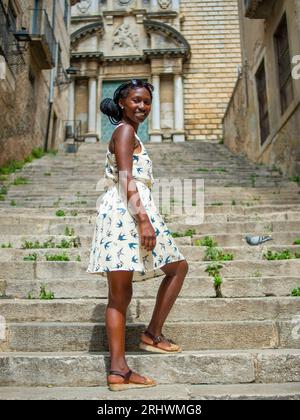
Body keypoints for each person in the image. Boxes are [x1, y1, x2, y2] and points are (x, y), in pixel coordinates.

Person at [87, 79, 188, 391]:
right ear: (122, 103)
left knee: (123, 294)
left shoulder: (126, 132)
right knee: (174, 268)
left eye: (146, 102)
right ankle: (141, 345)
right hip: (126, 213)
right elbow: (126, 177)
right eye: (136, 101)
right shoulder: (125, 131)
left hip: (125, 211)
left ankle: (134, 353)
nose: (142, 106)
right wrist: (143, 219)